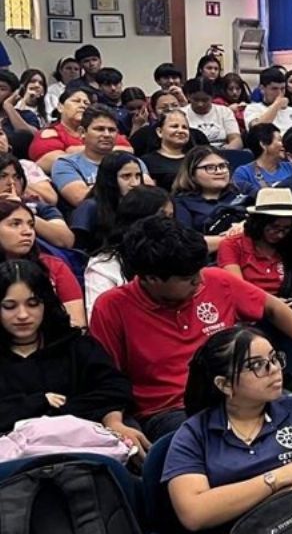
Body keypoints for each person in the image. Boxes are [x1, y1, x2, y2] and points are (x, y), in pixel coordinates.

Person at [88, 215, 292, 441]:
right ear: (151, 278)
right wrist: (114, 422)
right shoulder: (112, 307)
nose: (199, 281)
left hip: (242, 391)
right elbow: (105, 377)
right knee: (226, 446)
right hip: (170, 410)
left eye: (198, 271)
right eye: (188, 279)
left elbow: (274, 308)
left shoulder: (216, 280)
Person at [163, 326, 292, 533]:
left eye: (274, 358)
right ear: (224, 384)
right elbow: (194, 513)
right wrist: (277, 478)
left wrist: (253, 505)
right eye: (257, 365)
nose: (275, 368)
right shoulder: (194, 434)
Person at [0, 259, 139, 444]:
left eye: (33, 304)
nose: (23, 315)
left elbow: (115, 389)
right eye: (10, 306)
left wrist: (55, 415)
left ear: (46, 304)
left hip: (80, 447)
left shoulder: (75, 346)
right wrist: (37, 402)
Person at [83, 186, 171, 321]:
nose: (170, 225)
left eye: (171, 217)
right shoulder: (104, 266)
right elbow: (98, 321)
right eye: (162, 217)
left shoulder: (176, 254)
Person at [0, 199, 85, 327]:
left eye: (31, 225)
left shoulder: (53, 266)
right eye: (15, 224)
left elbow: (77, 324)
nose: (28, 232)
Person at [217, 188, 292, 300]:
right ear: (259, 223)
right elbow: (237, 288)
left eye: (285, 229)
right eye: (274, 227)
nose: (280, 235)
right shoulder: (233, 245)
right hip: (250, 306)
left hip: (290, 304)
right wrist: (274, 305)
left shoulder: (291, 244)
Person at [49, 104, 136, 208]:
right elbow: (81, 199)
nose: (107, 134)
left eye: (112, 130)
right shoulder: (66, 164)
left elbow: (148, 195)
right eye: (99, 129)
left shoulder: (132, 162)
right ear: (82, 132)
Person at [29, 89, 133, 172]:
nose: (82, 105)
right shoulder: (50, 133)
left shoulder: (103, 129)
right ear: (60, 107)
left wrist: (73, 150)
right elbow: (51, 162)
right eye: (76, 101)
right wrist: (101, 150)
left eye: (86, 103)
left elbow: (128, 151)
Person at [172, 147, 247, 252]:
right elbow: (187, 243)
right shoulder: (181, 202)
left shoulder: (242, 191)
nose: (219, 171)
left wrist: (244, 225)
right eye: (210, 167)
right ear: (192, 174)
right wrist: (235, 237)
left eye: (222, 166)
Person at [68, 151, 145, 252]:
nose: (135, 183)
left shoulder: (142, 206)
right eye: (126, 176)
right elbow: (77, 250)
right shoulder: (89, 208)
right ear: (110, 178)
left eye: (138, 176)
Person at [129, 89, 210, 157]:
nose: (171, 109)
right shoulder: (142, 135)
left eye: (175, 105)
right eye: (164, 107)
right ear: (153, 112)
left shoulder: (197, 135)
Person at [232, 123, 292, 197]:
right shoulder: (243, 172)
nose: (283, 144)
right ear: (263, 144)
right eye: (279, 140)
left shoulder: (291, 167)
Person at [142, 109, 195, 191]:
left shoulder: (195, 159)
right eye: (174, 126)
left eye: (185, 127)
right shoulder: (147, 161)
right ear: (159, 132)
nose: (181, 131)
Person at [181, 78, 242, 149]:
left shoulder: (224, 111)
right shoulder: (182, 113)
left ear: (212, 97)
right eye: (196, 100)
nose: (200, 104)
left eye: (205, 100)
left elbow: (236, 140)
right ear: (188, 97)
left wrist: (227, 149)